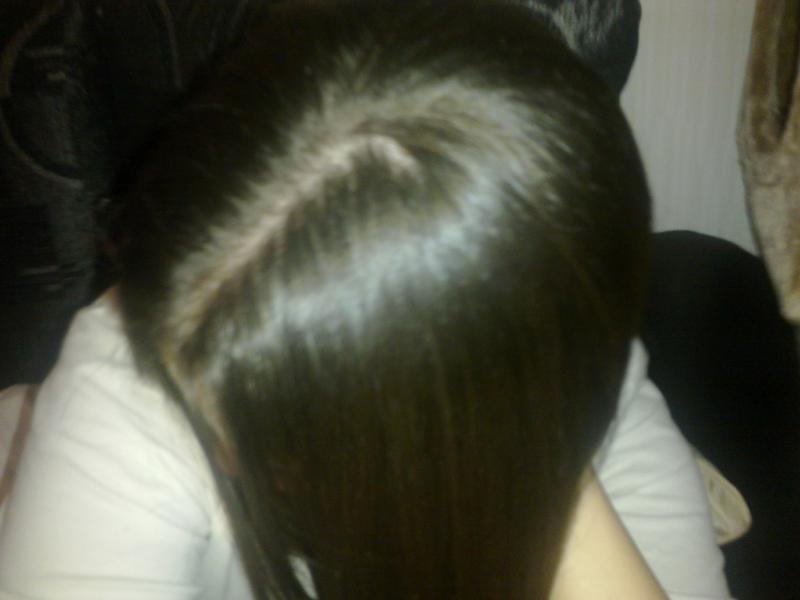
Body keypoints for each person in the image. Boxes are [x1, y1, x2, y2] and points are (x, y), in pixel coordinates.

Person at [0, 1, 729, 598]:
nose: (223, 454)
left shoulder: (579, 378)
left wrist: (541, 467)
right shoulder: (130, 370)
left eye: (279, 438)